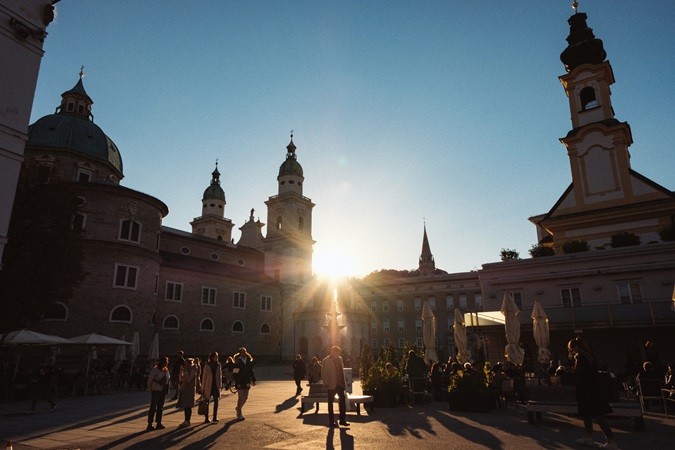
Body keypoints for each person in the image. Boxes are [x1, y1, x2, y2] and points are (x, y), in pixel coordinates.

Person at [568, 337, 619, 449]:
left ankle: (609, 441)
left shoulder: (581, 358)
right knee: (591, 414)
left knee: (595, 415)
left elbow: (582, 374)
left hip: (586, 390)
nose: (572, 350)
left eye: (572, 348)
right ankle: (591, 437)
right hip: (594, 389)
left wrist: (573, 372)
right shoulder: (589, 356)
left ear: (577, 346)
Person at [321, 346, 349, 428]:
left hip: (340, 384)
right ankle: (331, 421)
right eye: (336, 352)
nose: (337, 354)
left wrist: (344, 382)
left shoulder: (340, 359)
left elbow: (341, 371)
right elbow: (324, 373)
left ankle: (342, 420)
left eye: (338, 352)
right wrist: (326, 383)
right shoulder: (326, 360)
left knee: (342, 403)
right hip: (331, 384)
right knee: (330, 404)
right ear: (332, 351)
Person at [146, 356, 169, 431]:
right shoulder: (155, 369)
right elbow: (150, 379)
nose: (167, 363)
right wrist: (150, 388)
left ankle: (158, 422)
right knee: (153, 407)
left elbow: (167, 380)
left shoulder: (166, 370)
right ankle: (150, 423)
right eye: (166, 362)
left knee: (160, 407)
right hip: (156, 390)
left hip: (162, 390)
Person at [232, 347, 256, 420]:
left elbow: (251, 371)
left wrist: (253, 379)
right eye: (242, 352)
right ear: (239, 353)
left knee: (245, 397)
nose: (243, 353)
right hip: (240, 381)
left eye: (244, 352)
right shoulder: (237, 361)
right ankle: (239, 413)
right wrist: (237, 382)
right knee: (241, 397)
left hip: (247, 381)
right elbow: (235, 373)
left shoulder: (248, 360)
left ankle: (238, 408)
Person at [200, 351, 222, 423]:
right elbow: (204, 377)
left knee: (216, 400)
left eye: (217, 357)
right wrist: (202, 388)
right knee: (207, 401)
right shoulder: (207, 366)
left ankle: (215, 416)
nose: (217, 358)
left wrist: (220, 385)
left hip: (215, 386)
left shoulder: (218, 365)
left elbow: (219, 376)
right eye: (215, 357)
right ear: (212, 358)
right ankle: (206, 417)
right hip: (208, 386)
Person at [177, 358, 198, 428]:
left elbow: (189, 379)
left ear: (189, 364)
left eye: (186, 364)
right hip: (185, 389)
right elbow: (181, 379)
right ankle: (186, 420)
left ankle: (188, 420)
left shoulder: (193, 370)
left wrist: (185, 372)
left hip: (190, 390)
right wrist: (181, 371)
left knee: (188, 406)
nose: (185, 365)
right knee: (185, 406)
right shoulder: (187, 370)